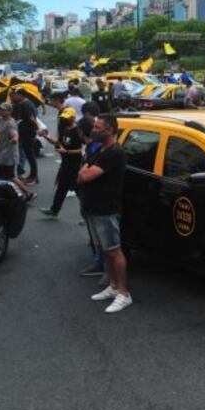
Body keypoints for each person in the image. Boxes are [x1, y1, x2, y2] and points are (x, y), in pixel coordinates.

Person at [79, 114, 132, 314]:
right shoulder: (100, 150)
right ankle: (113, 286)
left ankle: (124, 293)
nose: (93, 130)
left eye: (97, 127)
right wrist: (84, 171)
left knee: (114, 250)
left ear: (109, 130)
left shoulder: (114, 153)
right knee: (105, 250)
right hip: (93, 208)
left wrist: (84, 171)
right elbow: (82, 172)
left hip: (106, 209)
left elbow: (85, 175)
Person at [0, 102, 34, 199]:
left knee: (11, 177)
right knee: (0, 177)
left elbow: (15, 134)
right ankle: (4, 195)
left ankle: (28, 193)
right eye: (0, 109)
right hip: (2, 154)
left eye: (3, 110)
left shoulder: (10, 123)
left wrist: (15, 139)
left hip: (9, 155)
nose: (1, 111)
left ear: (10, 111)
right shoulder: (2, 121)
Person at [40, 107, 84, 218]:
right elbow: (58, 142)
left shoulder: (78, 131)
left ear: (73, 118)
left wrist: (67, 151)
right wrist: (45, 136)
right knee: (61, 188)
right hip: (65, 164)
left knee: (78, 190)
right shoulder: (65, 129)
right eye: (64, 118)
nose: (65, 120)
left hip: (75, 165)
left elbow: (82, 150)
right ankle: (54, 210)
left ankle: (87, 213)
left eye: (67, 118)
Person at [12, 88, 41, 184]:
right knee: (29, 154)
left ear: (21, 95)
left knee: (30, 155)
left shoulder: (25, 104)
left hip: (28, 132)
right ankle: (33, 175)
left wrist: (38, 128)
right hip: (28, 131)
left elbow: (31, 118)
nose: (15, 96)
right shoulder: (28, 103)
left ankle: (34, 176)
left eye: (16, 94)